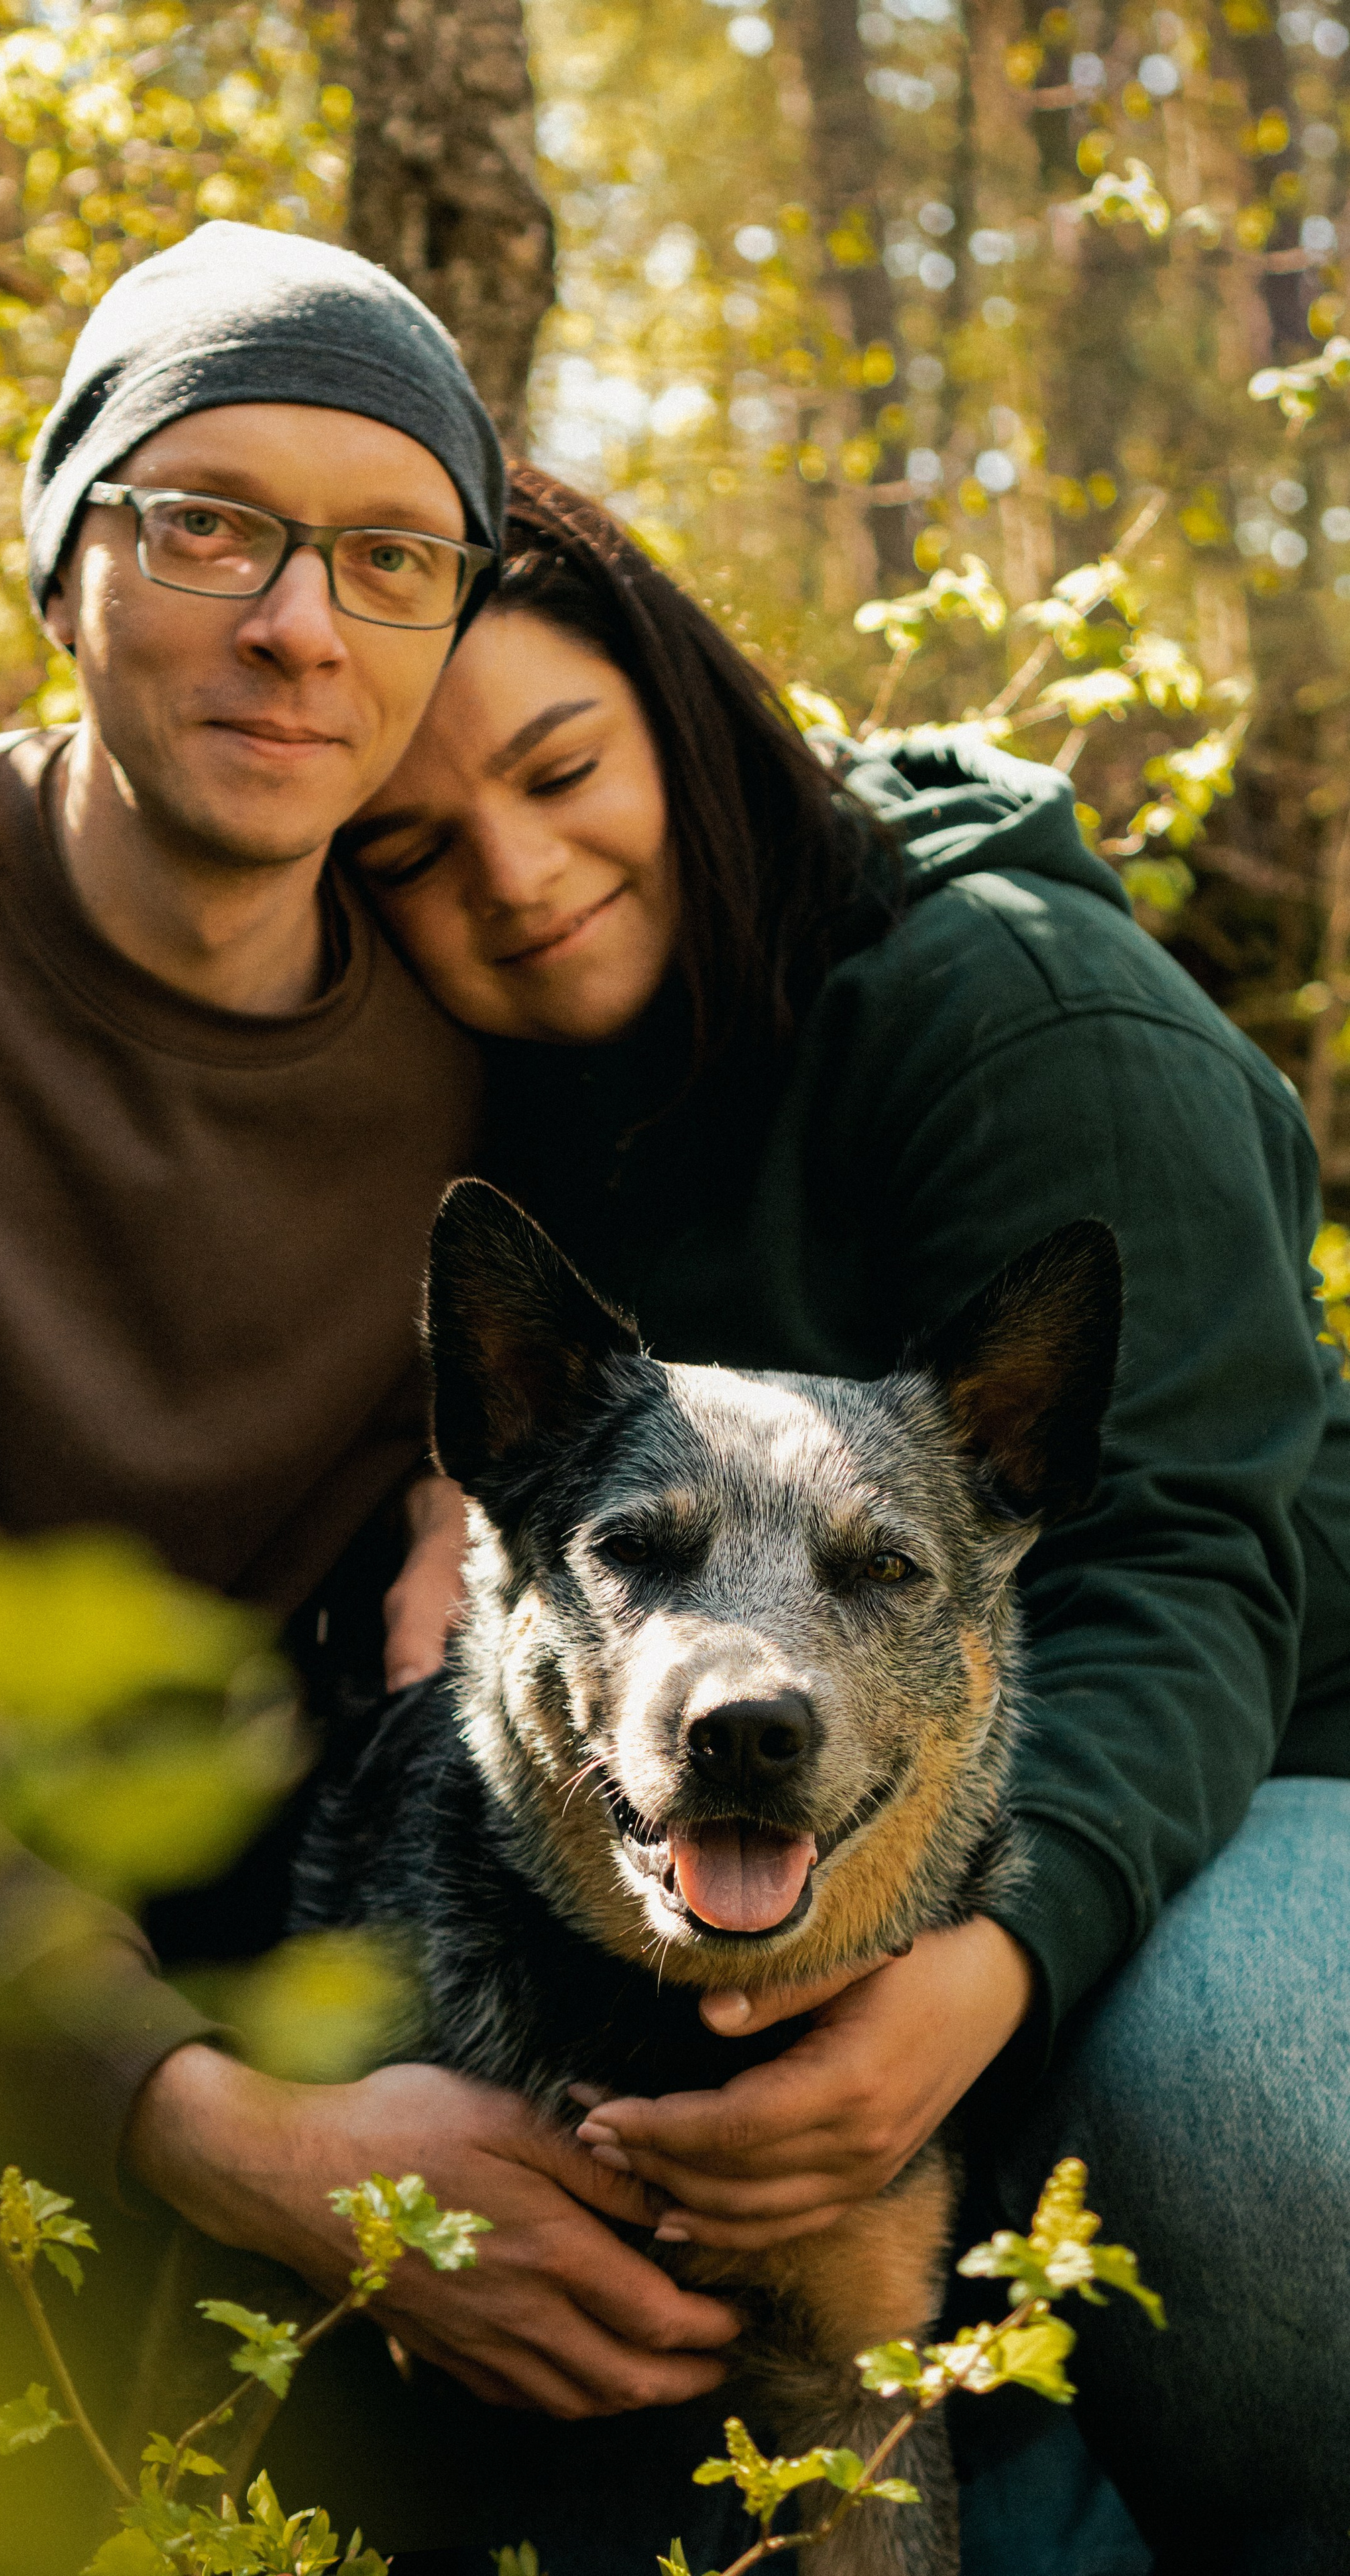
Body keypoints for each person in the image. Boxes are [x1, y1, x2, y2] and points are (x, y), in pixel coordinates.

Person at [0, 226, 752, 2530]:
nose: (294, 622)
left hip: (283, 1901)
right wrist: (214, 2128)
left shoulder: (486, 1016)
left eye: (386, 556)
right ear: (67, 564)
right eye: (207, 522)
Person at [323, 461, 1350, 2571]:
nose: (515, 877)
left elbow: (1189, 1570)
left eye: (563, 767)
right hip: (770, 1774)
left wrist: (983, 1973)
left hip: (1257, 1751)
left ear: (688, 717)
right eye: (417, 848)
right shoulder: (500, 1063)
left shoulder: (1020, 1009)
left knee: (1256, 2158)